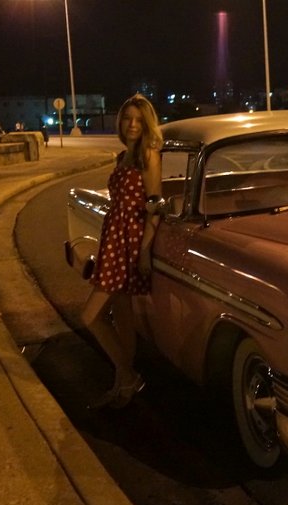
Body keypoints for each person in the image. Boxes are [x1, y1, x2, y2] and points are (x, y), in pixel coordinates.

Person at [81, 94, 163, 409]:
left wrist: (144, 252)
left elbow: (154, 205)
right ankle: (122, 383)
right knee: (122, 316)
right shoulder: (123, 156)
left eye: (138, 120)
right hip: (115, 237)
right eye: (127, 118)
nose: (131, 124)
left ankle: (128, 376)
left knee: (90, 316)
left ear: (147, 124)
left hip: (130, 241)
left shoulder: (149, 154)